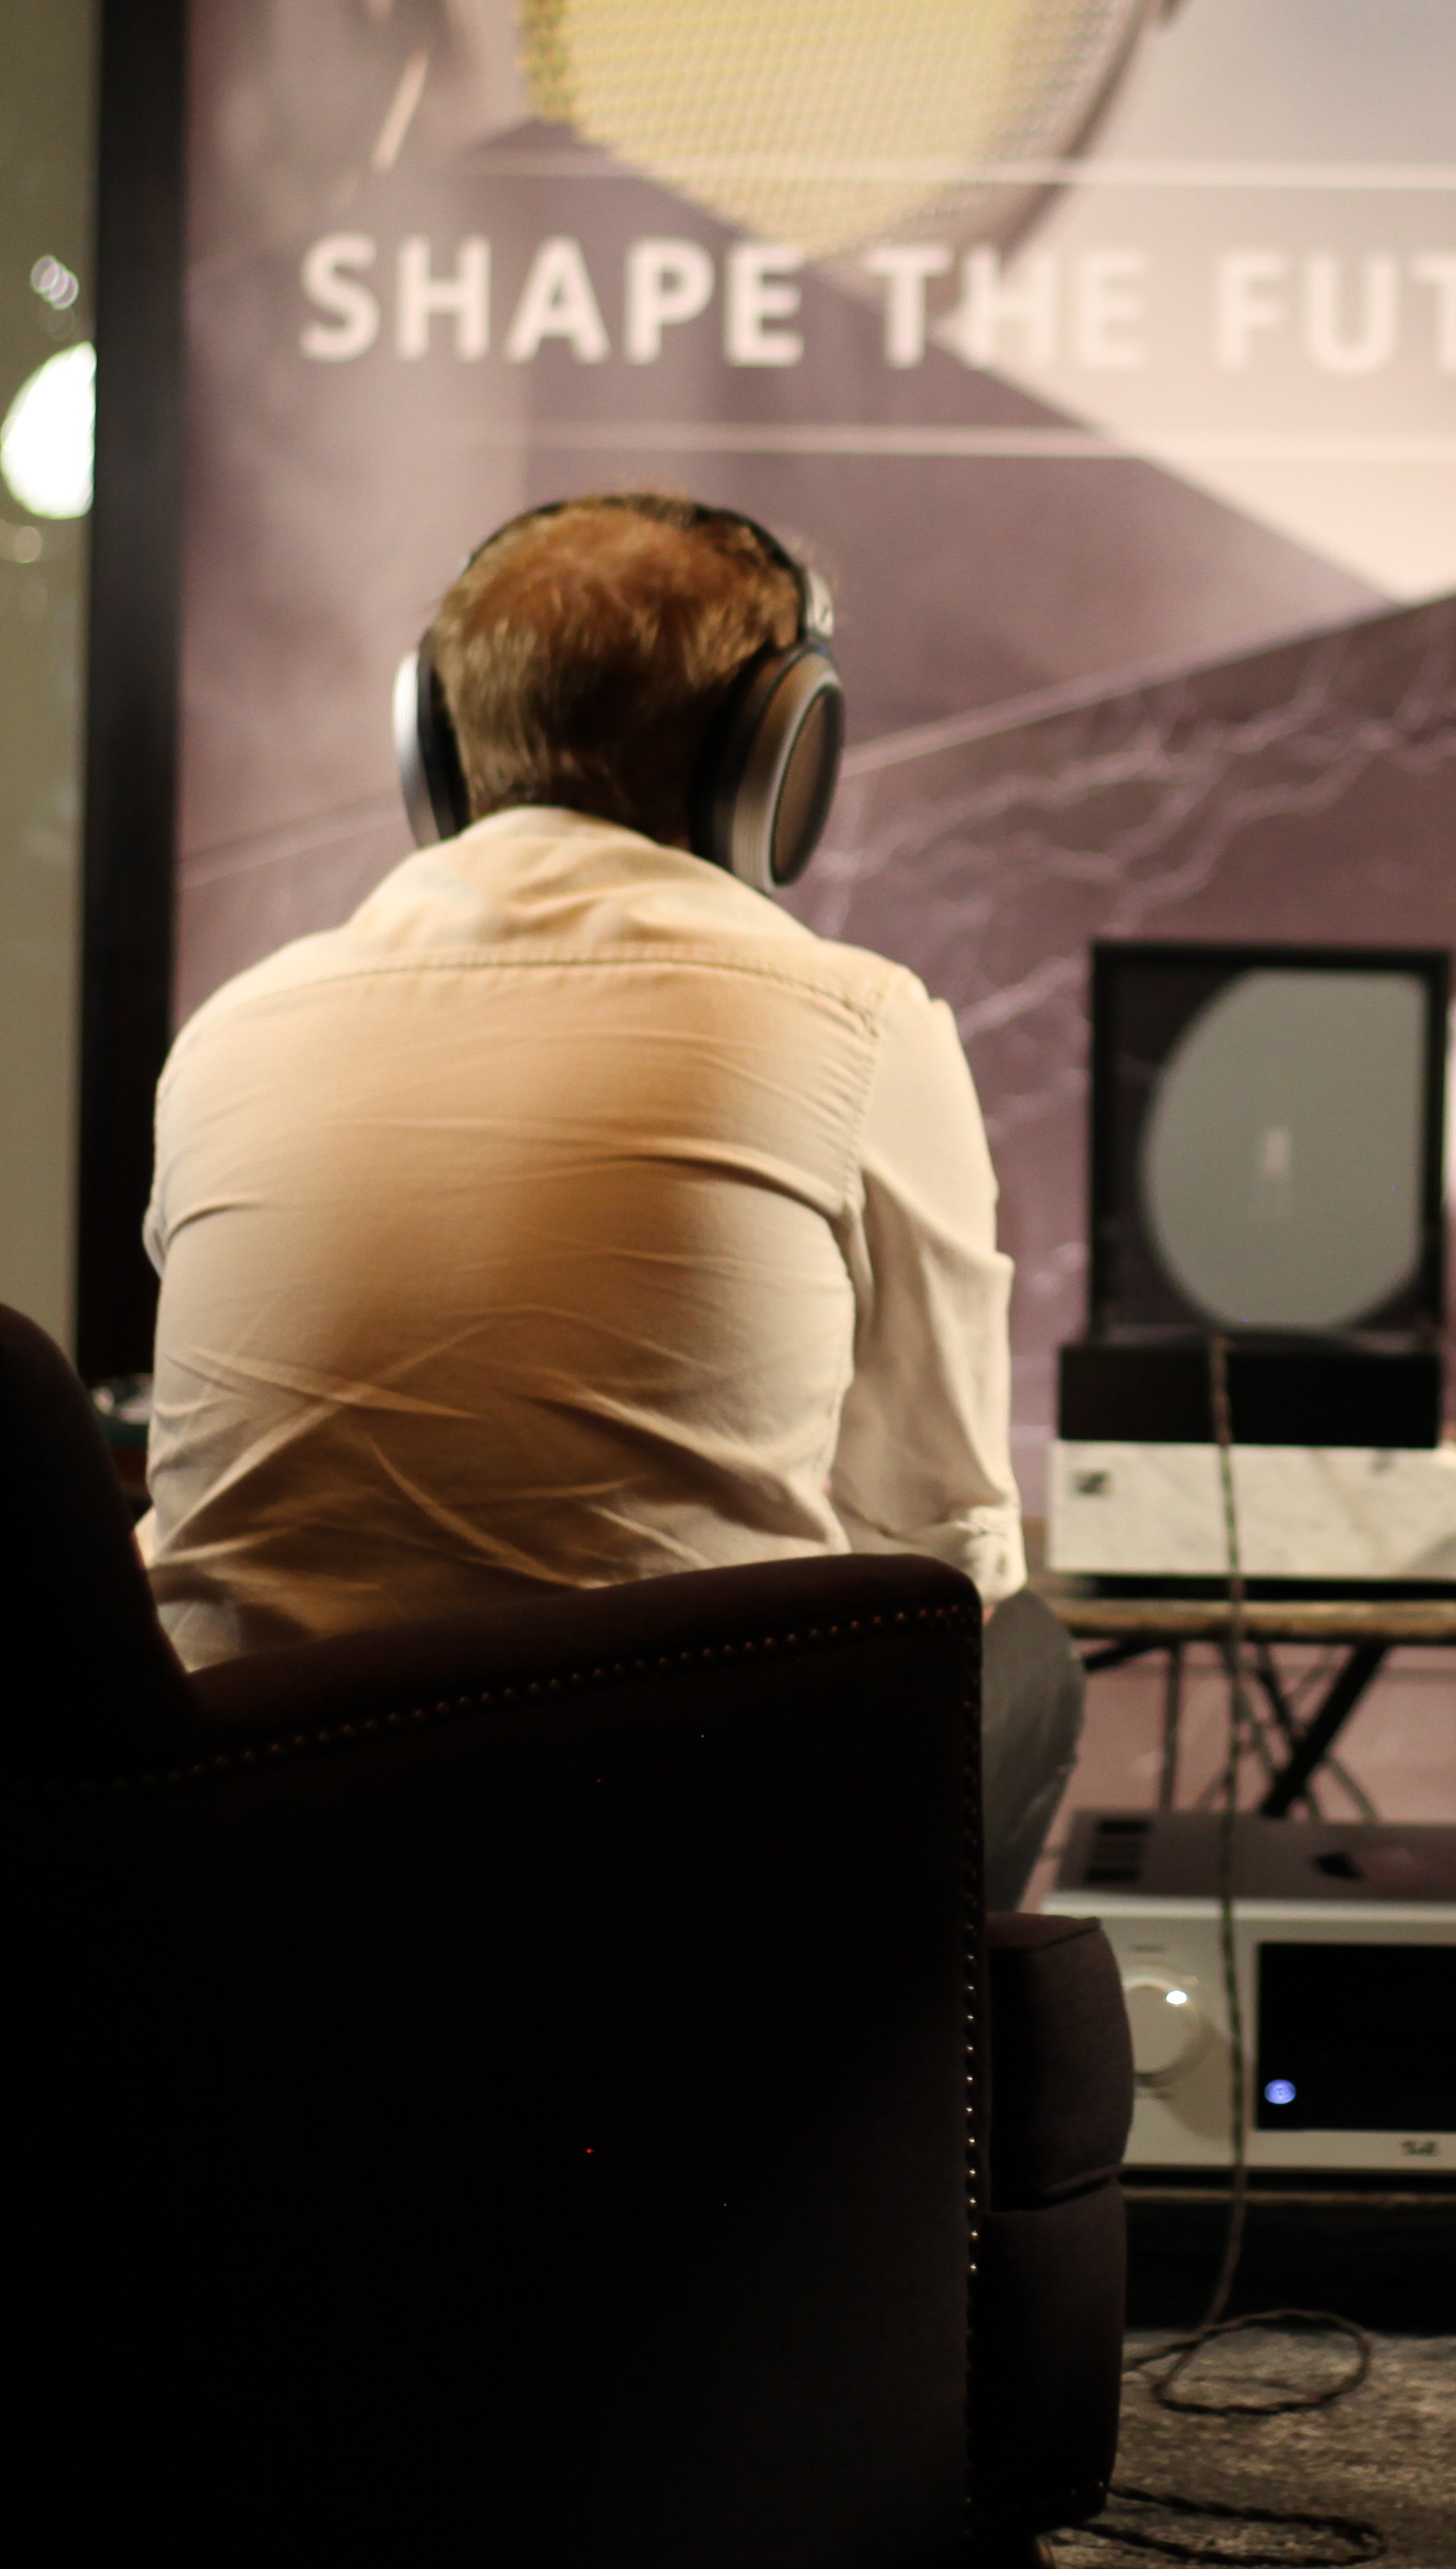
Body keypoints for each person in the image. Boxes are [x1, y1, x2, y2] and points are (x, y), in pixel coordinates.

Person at [136, 490, 1080, 1907]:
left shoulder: (232, 1029)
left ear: (429, 748)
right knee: (1028, 1662)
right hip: (661, 1855)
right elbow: (941, 1557)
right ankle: (846, 2046)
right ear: (782, 753)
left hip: (260, 1851)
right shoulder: (853, 1022)